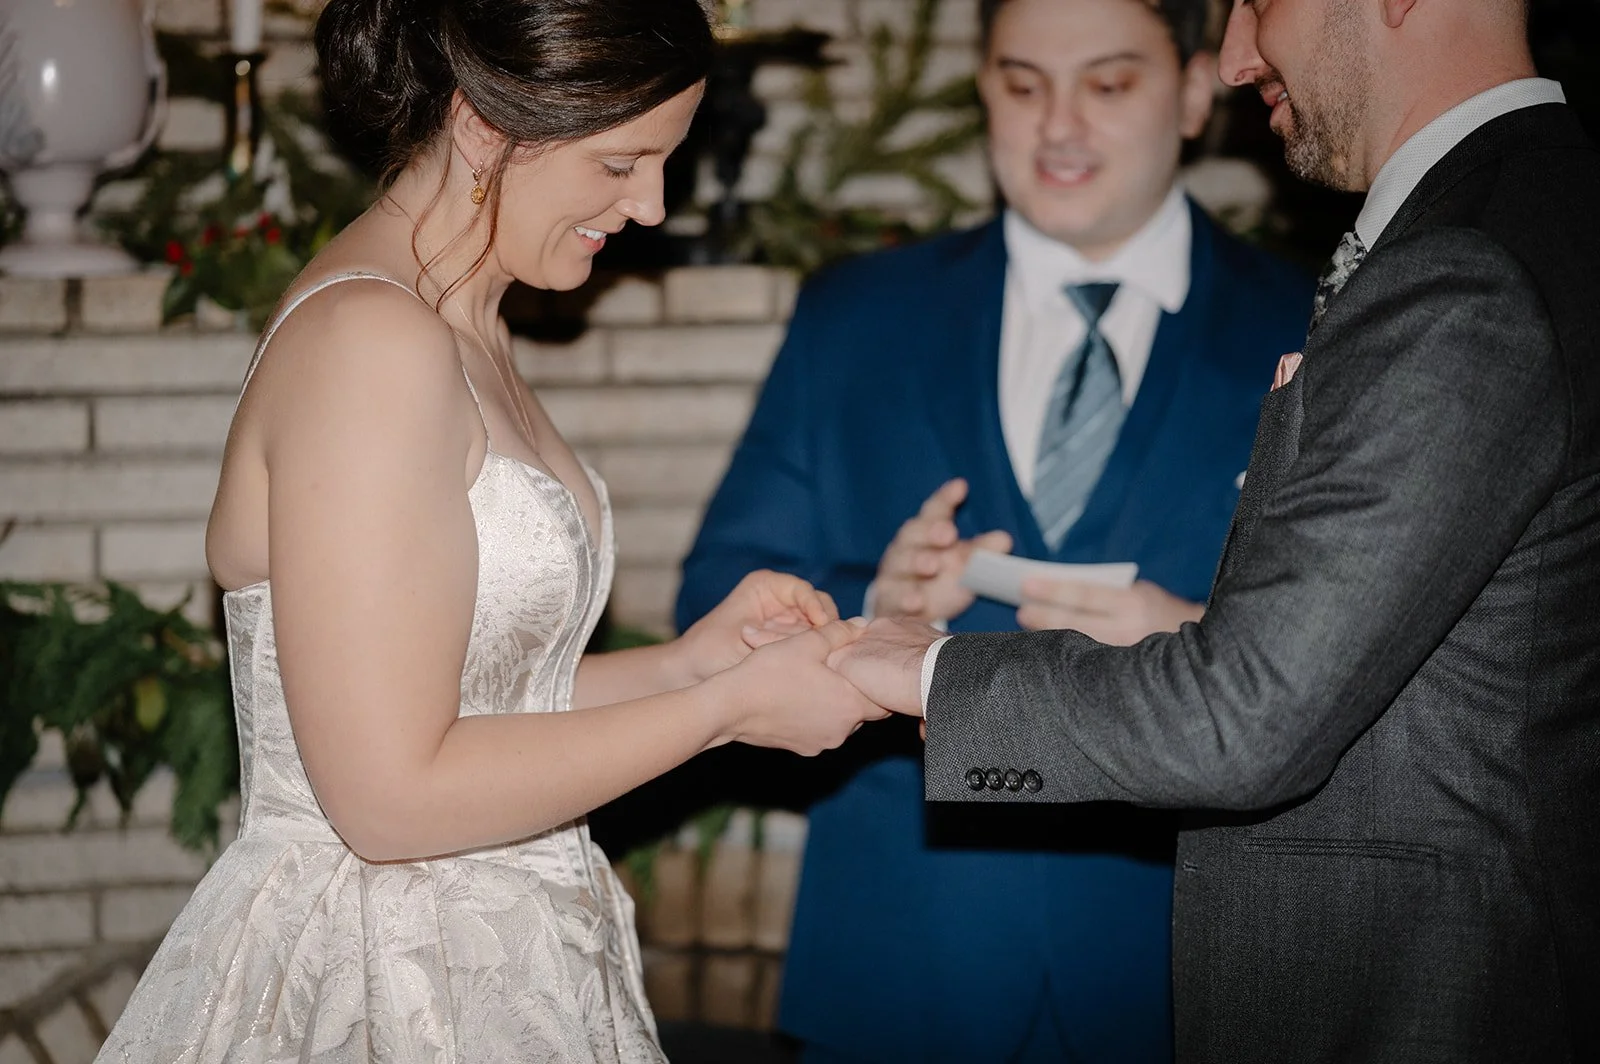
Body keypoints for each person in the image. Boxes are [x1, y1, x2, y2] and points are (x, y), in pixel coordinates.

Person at [93, 2, 886, 1061]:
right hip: (387, 974)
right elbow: (388, 796)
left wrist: (691, 663)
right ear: (483, 127)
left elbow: (482, 695)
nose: (649, 205)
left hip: (497, 943)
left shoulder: (461, 320)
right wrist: (720, 711)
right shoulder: (370, 342)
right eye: (621, 164)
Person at [830, 0, 1600, 1058]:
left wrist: (931, 671)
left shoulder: (1463, 267)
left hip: (1425, 1001)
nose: (1238, 54)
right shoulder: (1534, 215)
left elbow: (1246, 715)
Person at [674, 0, 1312, 1058]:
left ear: (1197, 89)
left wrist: (1204, 635)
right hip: (902, 963)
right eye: (1021, 85)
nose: (1058, 126)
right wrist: (875, 604)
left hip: (1181, 963)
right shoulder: (854, 314)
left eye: (1107, 85)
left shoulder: (1311, 322)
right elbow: (708, 604)